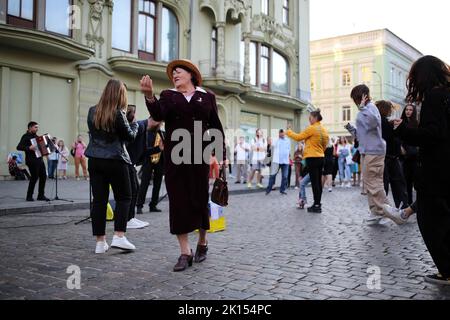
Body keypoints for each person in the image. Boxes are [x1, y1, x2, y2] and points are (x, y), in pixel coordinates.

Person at [141, 59, 226, 272]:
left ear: (190, 74)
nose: (175, 75)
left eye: (179, 72)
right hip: (175, 156)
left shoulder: (207, 96)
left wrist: (220, 154)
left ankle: (203, 242)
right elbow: (158, 115)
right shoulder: (168, 95)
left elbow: (215, 125)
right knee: (178, 200)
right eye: (173, 74)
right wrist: (149, 95)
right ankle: (184, 252)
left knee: (199, 198)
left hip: (200, 155)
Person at [393, 55, 450, 285]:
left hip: (437, 171)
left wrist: (403, 131)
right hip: (446, 170)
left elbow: (432, 135)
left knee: (430, 221)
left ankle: (446, 270)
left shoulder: (434, 97)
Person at [85, 79, 139, 254]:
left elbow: (95, 134)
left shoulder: (92, 111)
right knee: (124, 197)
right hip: (115, 159)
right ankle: (119, 236)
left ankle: (100, 243)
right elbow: (129, 137)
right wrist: (135, 125)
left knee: (99, 200)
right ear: (120, 94)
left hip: (94, 159)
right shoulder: (118, 114)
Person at [345, 85, 391, 225]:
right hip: (367, 150)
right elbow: (363, 133)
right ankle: (375, 211)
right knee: (369, 183)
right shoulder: (364, 109)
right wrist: (352, 130)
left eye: (356, 98)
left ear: (362, 96)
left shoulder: (370, 108)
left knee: (374, 183)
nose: (355, 101)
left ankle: (385, 211)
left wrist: (363, 108)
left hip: (374, 150)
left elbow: (374, 123)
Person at [287, 109, 329, 213]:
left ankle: (316, 205)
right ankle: (318, 203)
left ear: (314, 118)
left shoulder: (312, 128)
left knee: (315, 183)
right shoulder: (323, 129)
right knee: (318, 183)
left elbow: (298, 137)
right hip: (320, 157)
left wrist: (289, 131)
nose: (309, 120)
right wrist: (320, 151)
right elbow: (325, 143)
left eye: (310, 118)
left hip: (312, 158)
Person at [375, 100, 409, 210]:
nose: (391, 111)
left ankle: (384, 207)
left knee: (387, 183)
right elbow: (392, 139)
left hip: (385, 157)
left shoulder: (380, 122)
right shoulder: (384, 123)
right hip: (389, 157)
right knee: (397, 182)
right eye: (389, 109)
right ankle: (401, 204)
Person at [124, 105, 151, 229]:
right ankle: (128, 219)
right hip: (126, 162)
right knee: (131, 191)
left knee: (134, 189)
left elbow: (143, 150)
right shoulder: (139, 126)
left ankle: (131, 218)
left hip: (131, 163)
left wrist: (158, 149)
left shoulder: (140, 126)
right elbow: (128, 143)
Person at [135, 117, 165, 214]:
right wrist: (157, 148)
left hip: (159, 162)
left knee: (158, 184)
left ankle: (153, 205)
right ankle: (139, 205)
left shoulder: (161, 133)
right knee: (144, 183)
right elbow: (145, 149)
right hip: (148, 161)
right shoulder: (147, 133)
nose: (160, 124)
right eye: (159, 123)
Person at [17, 121, 49, 201]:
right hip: (31, 160)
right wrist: (28, 148)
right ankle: (29, 196)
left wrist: (47, 147)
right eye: (35, 127)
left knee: (43, 176)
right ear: (30, 127)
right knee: (34, 177)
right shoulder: (25, 136)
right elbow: (19, 147)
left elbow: (42, 147)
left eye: (37, 127)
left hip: (39, 159)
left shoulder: (37, 137)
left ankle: (41, 195)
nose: (37, 129)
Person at [400, 103, 419, 205]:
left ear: (413, 111)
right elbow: (397, 137)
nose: (408, 111)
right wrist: (400, 147)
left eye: (410, 110)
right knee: (406, 182)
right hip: (404, 156)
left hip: (415, 155)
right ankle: (408, 203)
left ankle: (417, 204)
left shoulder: (416, 123)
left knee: (416, 181)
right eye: (406, 109)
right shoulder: (401, 122)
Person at [266, 129, 291, 195]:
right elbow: (271, 146)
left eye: (283, 133)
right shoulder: (276, 140)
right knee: (272, 175)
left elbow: (288, 149)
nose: (282, 135)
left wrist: (288, 156)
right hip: (277, 161)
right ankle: (268, 189)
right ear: (279, 134)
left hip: (285, 162)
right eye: (280, 133)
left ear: (284, 133)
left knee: (285, 176)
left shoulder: (288, 140)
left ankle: (282, 190)